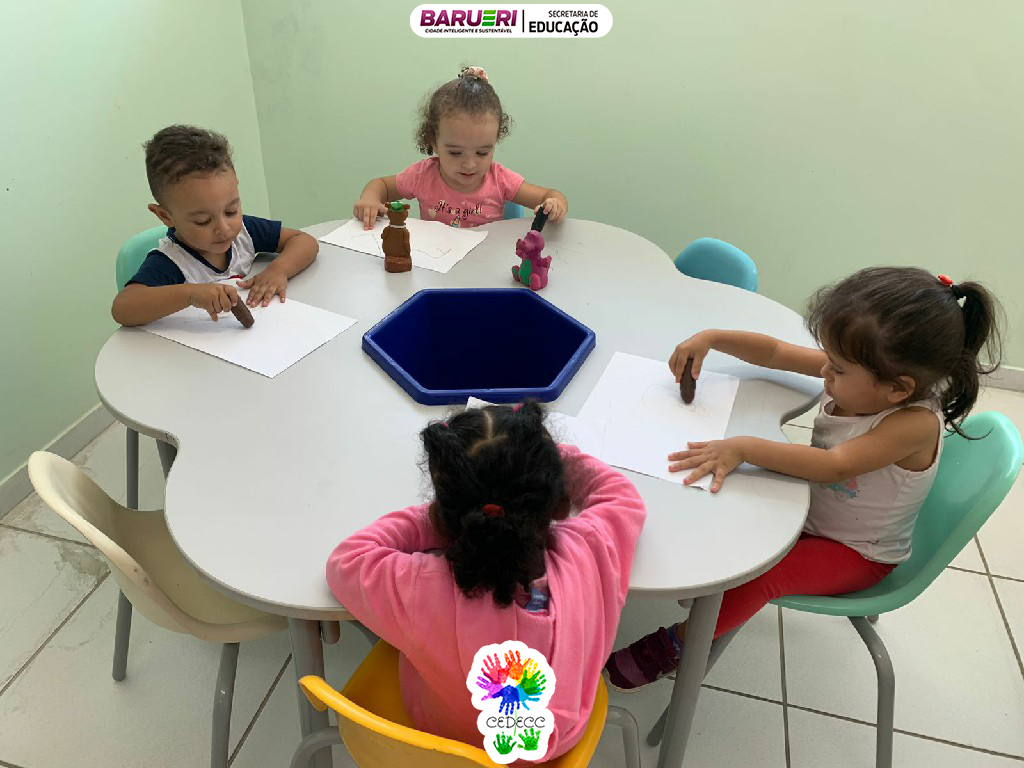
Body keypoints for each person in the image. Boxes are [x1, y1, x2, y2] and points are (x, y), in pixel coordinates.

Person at [605, 267, 1002, 690]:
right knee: (731, 514)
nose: (826, 373)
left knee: (764, 577)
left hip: (857, 551)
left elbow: (835, 465)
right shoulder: (862, 373)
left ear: (898, 389)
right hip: (815, 510)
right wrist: (713, 338)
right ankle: (708, 594)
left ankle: (676, 645)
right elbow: (776, 352)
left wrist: (745, 448)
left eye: (838, 370)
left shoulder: (913, 424)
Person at [326, 401, 646, 760]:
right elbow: (621, 498)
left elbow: (347, 559)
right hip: (557, 747)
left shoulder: (419, 587)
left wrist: (433, 520)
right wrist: (544, 455)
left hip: (447, 742)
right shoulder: (589, 553)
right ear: (558, 504)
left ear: (444, 518)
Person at [111, 125, 319, 326]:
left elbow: (304, 241)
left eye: (231, 211)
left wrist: (278, 270)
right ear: (165, 216)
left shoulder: (244, 232)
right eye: (203, 221)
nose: (224, 228)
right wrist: (191, 294)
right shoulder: (173, 261)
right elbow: (123, 308)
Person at [352, 66, 568, 230]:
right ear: (433, 141)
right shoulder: (422, 176)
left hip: (485, 267)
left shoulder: (500, 180)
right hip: (437, 266)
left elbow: (550, 195)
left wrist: (554, 204)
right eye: (455, 153)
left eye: (482, 152)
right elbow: (381, 185)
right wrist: (370, 198)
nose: (470, 164)